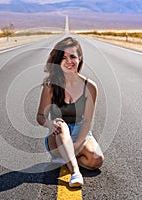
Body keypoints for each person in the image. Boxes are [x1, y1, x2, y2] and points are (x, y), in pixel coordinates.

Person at [36, 37, 104, 187]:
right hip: (57, 136)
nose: (69, 61)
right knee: (61, 125)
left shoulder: (90, 87)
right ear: (57, 61)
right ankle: (75, 172)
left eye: (72, 56)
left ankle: (67, 157)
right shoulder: (50, 86)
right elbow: (40, 116)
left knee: (96, 160)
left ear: (79, 58)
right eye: (63, 57)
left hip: (82, 134)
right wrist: (49, 123)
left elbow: (87, 121)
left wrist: (76, 144)